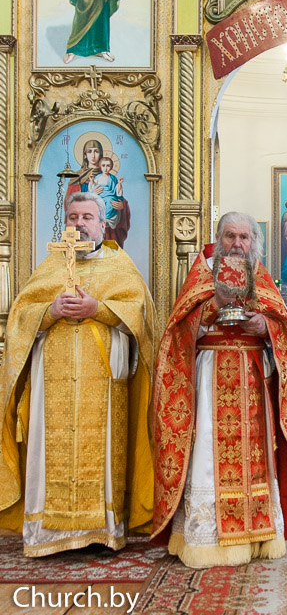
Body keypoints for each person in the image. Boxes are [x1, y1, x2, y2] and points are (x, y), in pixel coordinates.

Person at [151, 212, 287, 567]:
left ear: (253, 242)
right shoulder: (203, 273)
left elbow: (286, 330)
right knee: (206, 450)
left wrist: (266, 327)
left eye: (244, 237)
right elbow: (178, 332)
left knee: (255, 458)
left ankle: (258, 536)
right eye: (230, 236)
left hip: (251, 377)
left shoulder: (259, 275)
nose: (237, 244)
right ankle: (206, 540)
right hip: (209, 376)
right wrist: (214, 303)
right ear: (219, 239)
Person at [0, 192, 156, 556]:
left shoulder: (121, 266)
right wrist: (50, 310)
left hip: (102, 383)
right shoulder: (50, 267)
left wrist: (97, 308)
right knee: (46, 448)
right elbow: (20, 320)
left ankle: (101, 532)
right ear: (65, 222)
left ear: (103, 225)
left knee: (103, 452)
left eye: (87, 217)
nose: (79, 223)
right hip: (50, 383)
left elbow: (140, 317)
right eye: (73, 217)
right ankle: (47, 535)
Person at [67, 138, 130, 248]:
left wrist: (122, 206)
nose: (93, 155)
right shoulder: (76, 178)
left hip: (107, 225)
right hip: (85, 226)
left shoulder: (108, 175)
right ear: (85, 155)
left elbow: (116, 195)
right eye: (89, 151)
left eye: (96, 151)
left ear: (100, 154)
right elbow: (70, 205)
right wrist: (91, 195)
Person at [89, 156, 124, 225]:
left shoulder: (113, 178)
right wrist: (92, 181)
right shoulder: (98, 177)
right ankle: (100, 219)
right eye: (103, 165)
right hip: (100, 196)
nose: (105, 168)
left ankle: (107, 218)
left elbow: (117, 191)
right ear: (100, 167)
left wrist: (119, 183)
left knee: (110, 202)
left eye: (108, 166)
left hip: (110, 195)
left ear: (111, 167)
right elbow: (92, 187)